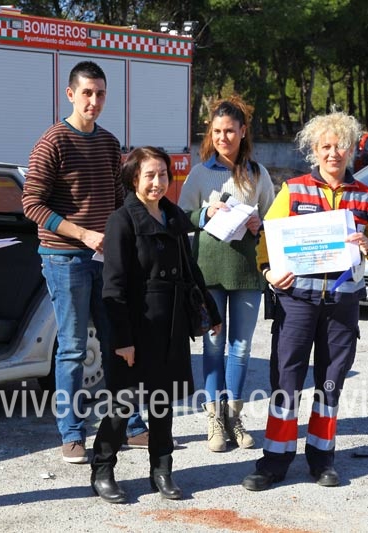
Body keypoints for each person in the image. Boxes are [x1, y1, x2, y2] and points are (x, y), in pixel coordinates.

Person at [242, 111, 368, 491]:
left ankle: (322, 459)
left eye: (340, 146)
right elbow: (267, 238)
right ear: (314, 150)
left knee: (330, 383)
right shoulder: (294, 190)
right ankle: (274, 461)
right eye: (325, 146)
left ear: (351, 149)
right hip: (296, 302)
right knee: (285, 380)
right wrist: (268, 272)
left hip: (342, 304)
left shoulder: (366, 196)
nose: (333, 152)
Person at [21, 61, 149, 464]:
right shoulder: (53, 142)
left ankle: (129, 425)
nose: (94, 100)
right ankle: (72, 434)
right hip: (65, 259)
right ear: (70, 94)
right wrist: (82, 234)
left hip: (104, 258)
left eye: (101, 93)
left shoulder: (110, 143)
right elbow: (31, 203)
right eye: (87, 93)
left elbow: (118, 200)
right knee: (73, 348)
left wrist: (128, 240)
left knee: (117, 341)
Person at [92, 147, 221, 503]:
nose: (157, 182)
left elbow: (190, 270)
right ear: (134, 178)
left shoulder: (173, 215)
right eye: (149, 175)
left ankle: (162, 470)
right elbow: (113, 286)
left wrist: (210, 312)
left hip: (172, 325)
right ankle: (102, 470)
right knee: (122, 405)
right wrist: (122, 339)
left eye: (163, 174)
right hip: (135, 327)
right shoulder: (122, 220)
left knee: (162, 404)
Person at [178, 96, 275, 452]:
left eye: (230, 131)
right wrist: (205, 213)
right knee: (213, 345)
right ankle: (214, 420)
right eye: (217, 131)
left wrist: (259, 223)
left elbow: (273, 218)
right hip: (209, 273)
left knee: (242, 346)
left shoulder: (258, 174)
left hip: (248, 272)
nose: (223, 137)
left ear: (243, 131)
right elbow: (180, 217)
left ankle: (234, 417)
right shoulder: (200, 173)